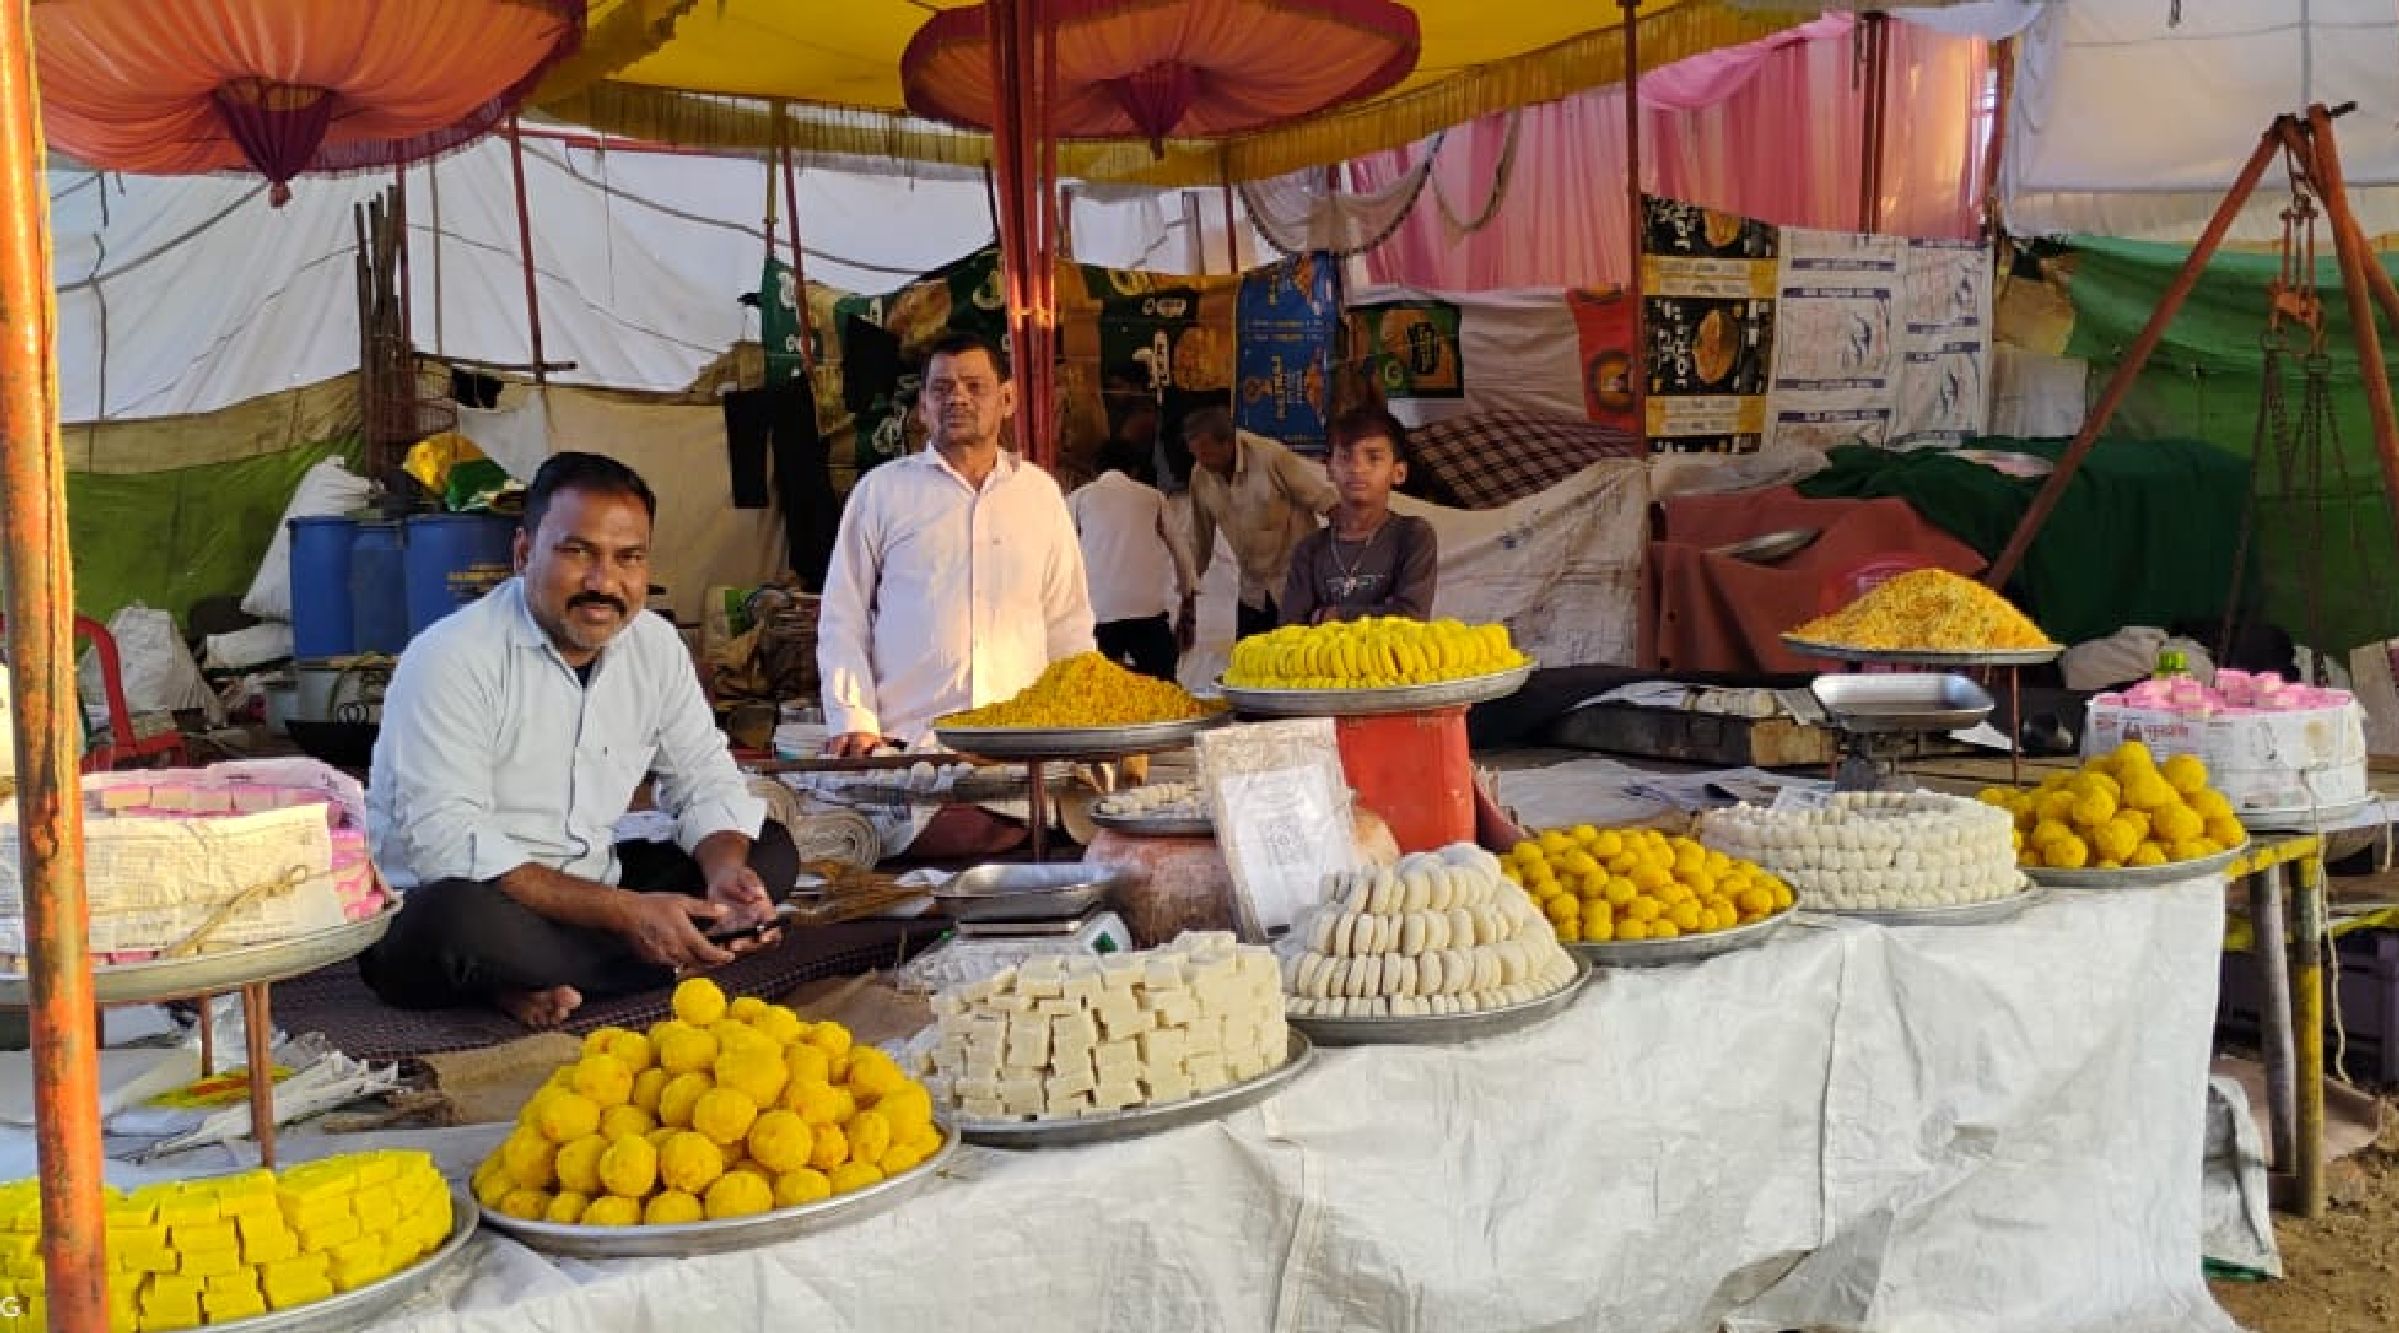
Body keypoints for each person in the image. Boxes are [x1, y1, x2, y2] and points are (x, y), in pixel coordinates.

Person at [360, 453, 794, 1029]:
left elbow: (705, 778)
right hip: (476, 903)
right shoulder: (452, 658)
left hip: (589, 892)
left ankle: (541, 977)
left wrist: (723, 878)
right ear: (523, 554)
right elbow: (448, 844)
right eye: (577, 552)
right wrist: (627, 914)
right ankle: (653, 957)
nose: (603, 583)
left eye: (628, 559)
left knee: (768, 849)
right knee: (451, 922)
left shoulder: (655, 647)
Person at [817, 331, 1097, 755]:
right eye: (942, 388)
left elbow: (1067, 621)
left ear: (1008, 399)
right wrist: (854, 719)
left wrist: (1078, 724)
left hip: (1023, 743)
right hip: (909, 745)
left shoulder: (1038, 494)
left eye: (975, 386)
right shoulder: (881, 492)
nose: (958, 398)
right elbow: (843, 614)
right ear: (924, 408)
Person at [1184, 407, 1337, 640]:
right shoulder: (1200, 476)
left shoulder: (1271, 457)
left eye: (1207, 454)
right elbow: (1200, 542)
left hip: (1295, 583)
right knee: (1247, 666)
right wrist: (1188, 596)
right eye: (1196, 455)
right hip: (1252, 590)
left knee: (1297, 663)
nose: (1202, 462)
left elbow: (1324, 501)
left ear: (1228, 443)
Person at [1280, 406, 1438, 625]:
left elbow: (1411, 617)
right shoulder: (1310, 550)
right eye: (1345, 457)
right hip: (1327, 661)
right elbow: (1290, 629)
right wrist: (1381, 612)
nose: (1357, 468)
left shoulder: (1412, 536)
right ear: (1329, 469)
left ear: (1398, 472)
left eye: (1373, 458)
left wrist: (1332, 615)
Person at [1068, 440, 1197, 682]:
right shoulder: (1153, 497)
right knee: (1163, 684)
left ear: (1094, 471)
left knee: (1097, 687)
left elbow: (1062, 550)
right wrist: (1188, 601)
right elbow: (1182, 553)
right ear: (1134, 471)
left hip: (1099, 613)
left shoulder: (1079, 498)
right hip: (1148, 613)